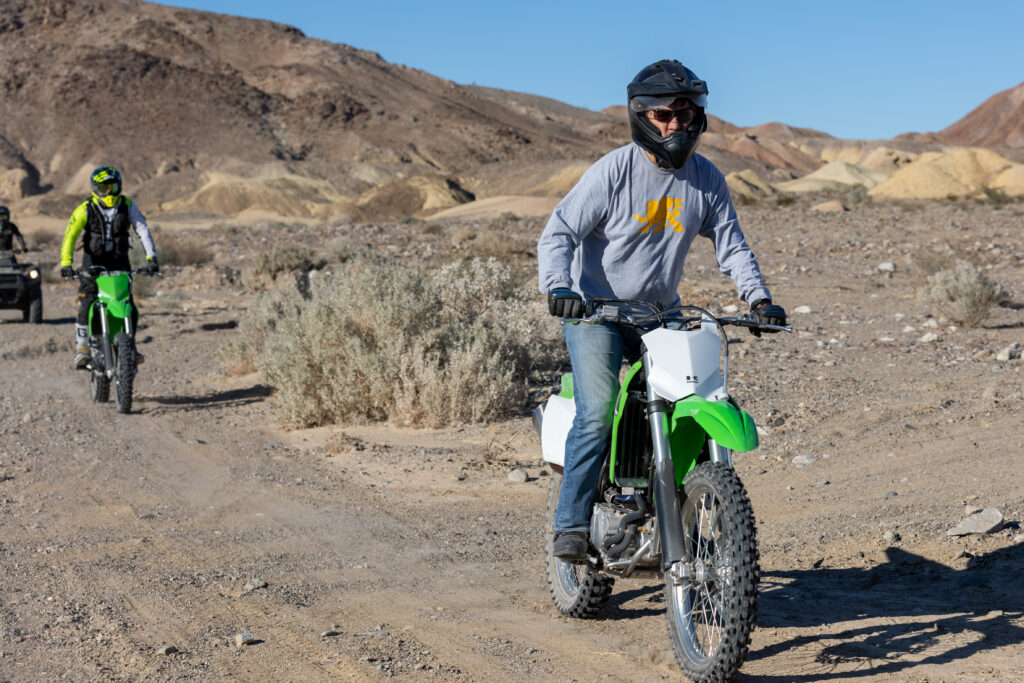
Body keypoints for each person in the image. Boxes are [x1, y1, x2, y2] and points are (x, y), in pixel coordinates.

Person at [536, 59, 786, 561]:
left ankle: (680, 508)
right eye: (666, 115)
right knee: (598, 413)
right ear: (642, 116)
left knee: (689, 402)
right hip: (596, 314)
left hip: (660, 314)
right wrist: (559, 286)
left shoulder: (707, 180)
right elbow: (559, 232)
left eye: (687, 114)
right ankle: (570, 526)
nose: (677, 124)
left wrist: (757, 298)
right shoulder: (613, 172)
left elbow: (732, 247)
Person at [59, 165, 159, 369]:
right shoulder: (85, 209)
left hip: (120, 261)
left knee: (127, 304)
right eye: (103, 188)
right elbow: (70, 235)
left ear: (119, 186)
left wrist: (151, 257)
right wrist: (66, 263)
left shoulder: (128, 206)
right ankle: (82, 349)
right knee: (87, 301)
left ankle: (129, 345)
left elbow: (142, 228)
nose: (108, 193)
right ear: (95, 189)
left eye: (112, 187)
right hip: (92, 262)